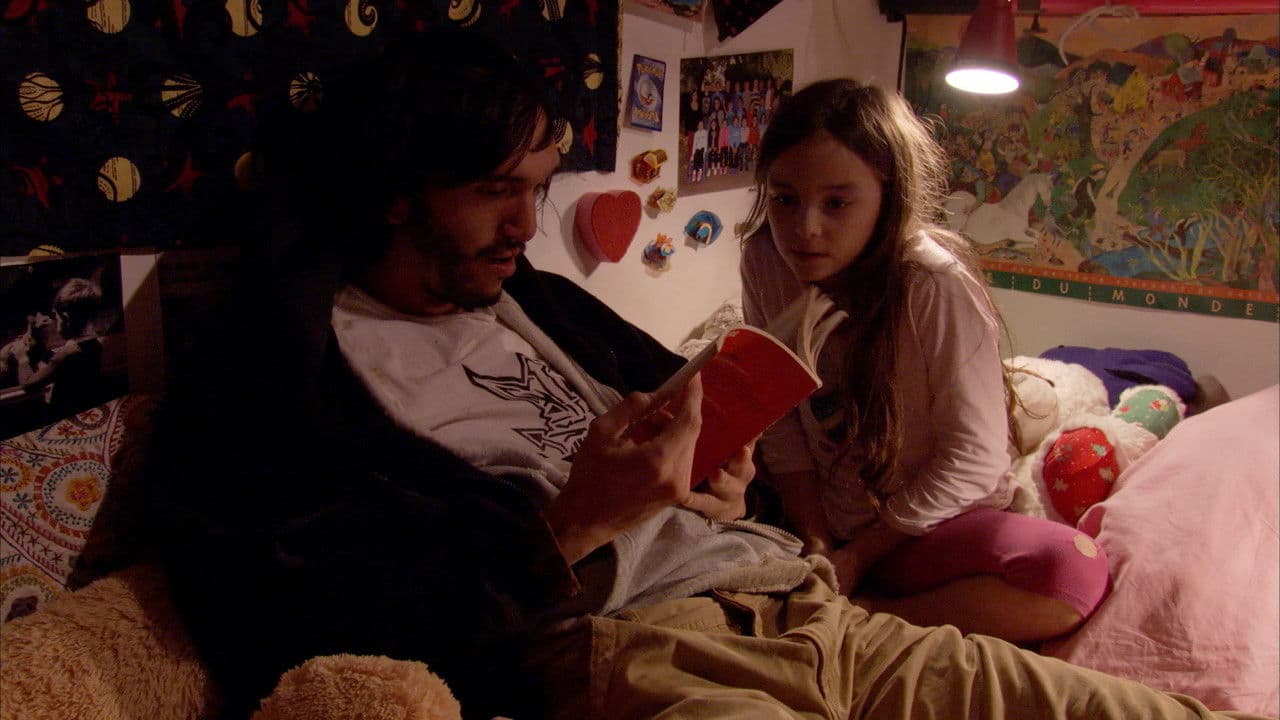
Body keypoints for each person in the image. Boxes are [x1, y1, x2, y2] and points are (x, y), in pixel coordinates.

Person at [148, 29, 1269, 720]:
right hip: (642, 650)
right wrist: (570, 527)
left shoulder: (534, 299)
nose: (526, 226)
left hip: (803, 606)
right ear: (398, 191)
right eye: (496, 191)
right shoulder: (287, 369)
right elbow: (291, 619)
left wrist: (728, 488)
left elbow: (732, 436)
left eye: (539, 188)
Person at [739, 78, 1110, 644]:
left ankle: (868, 615)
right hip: (822, 517)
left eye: (837, 203)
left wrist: (859, 557)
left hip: (926, 525)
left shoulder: (932, 284)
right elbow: (781, 418)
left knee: (1071, 573)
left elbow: (974, 458)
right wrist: (817, 541)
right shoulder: (765, 258)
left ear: (887, 196)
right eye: (785, 198)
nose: (805, 228)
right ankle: (859, 600)